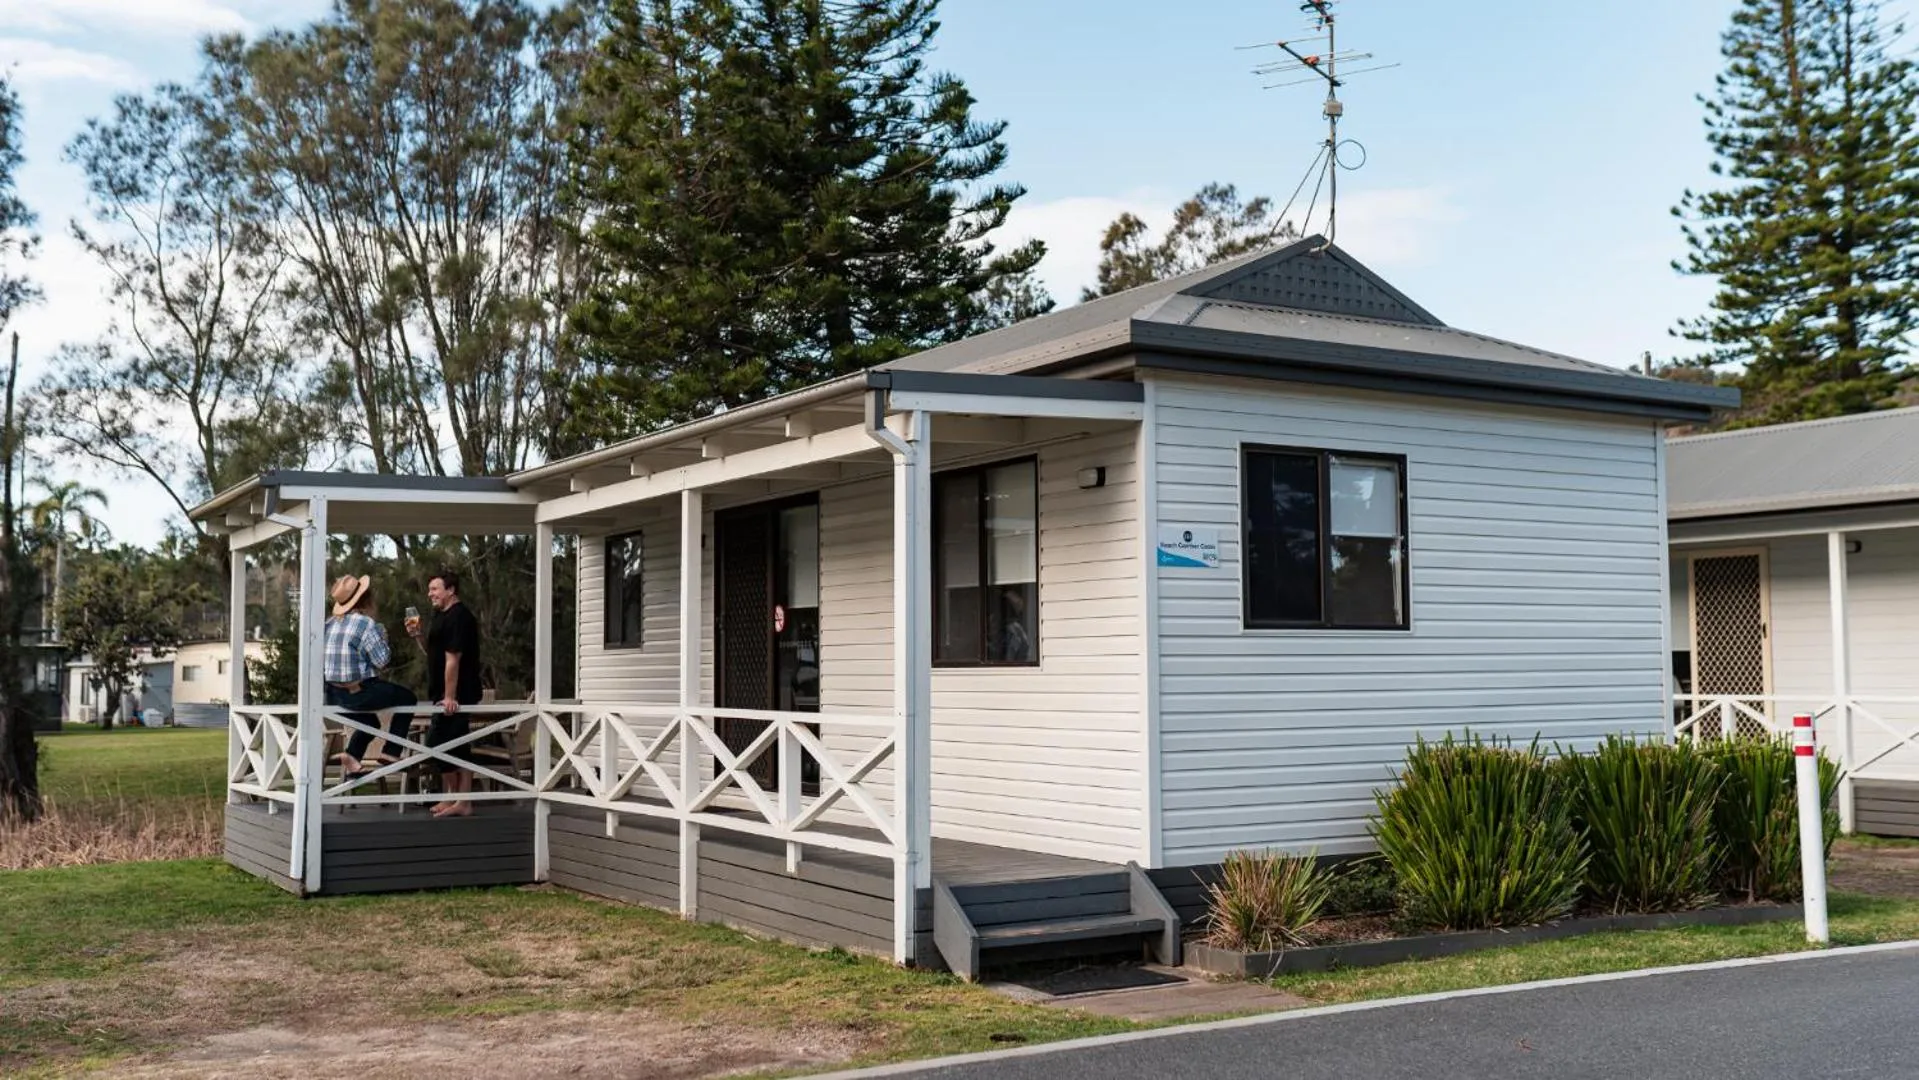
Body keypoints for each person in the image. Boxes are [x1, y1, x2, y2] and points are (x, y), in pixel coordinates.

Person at [323, 574, 418, 777]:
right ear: (366, 598)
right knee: (408, 698)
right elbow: (382, 661)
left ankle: (353, 756)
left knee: (370, 723)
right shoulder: (365, 623)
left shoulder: (329, 623)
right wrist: (383, 637)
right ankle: (391, 753)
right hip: (359, 693)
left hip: (331, 695)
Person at [414, 569, 483, 818]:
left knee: (452, 743)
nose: (430, 593)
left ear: (451, 590)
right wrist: (419, 636)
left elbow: (453, 659)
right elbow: (433, 653)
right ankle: (453, 797)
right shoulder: (439, 615)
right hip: (440, 693)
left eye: (435, 588)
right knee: (441, 745)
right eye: (430, 589)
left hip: (459, 693)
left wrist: (450, 696)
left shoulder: (460, 617)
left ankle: (464, 800)